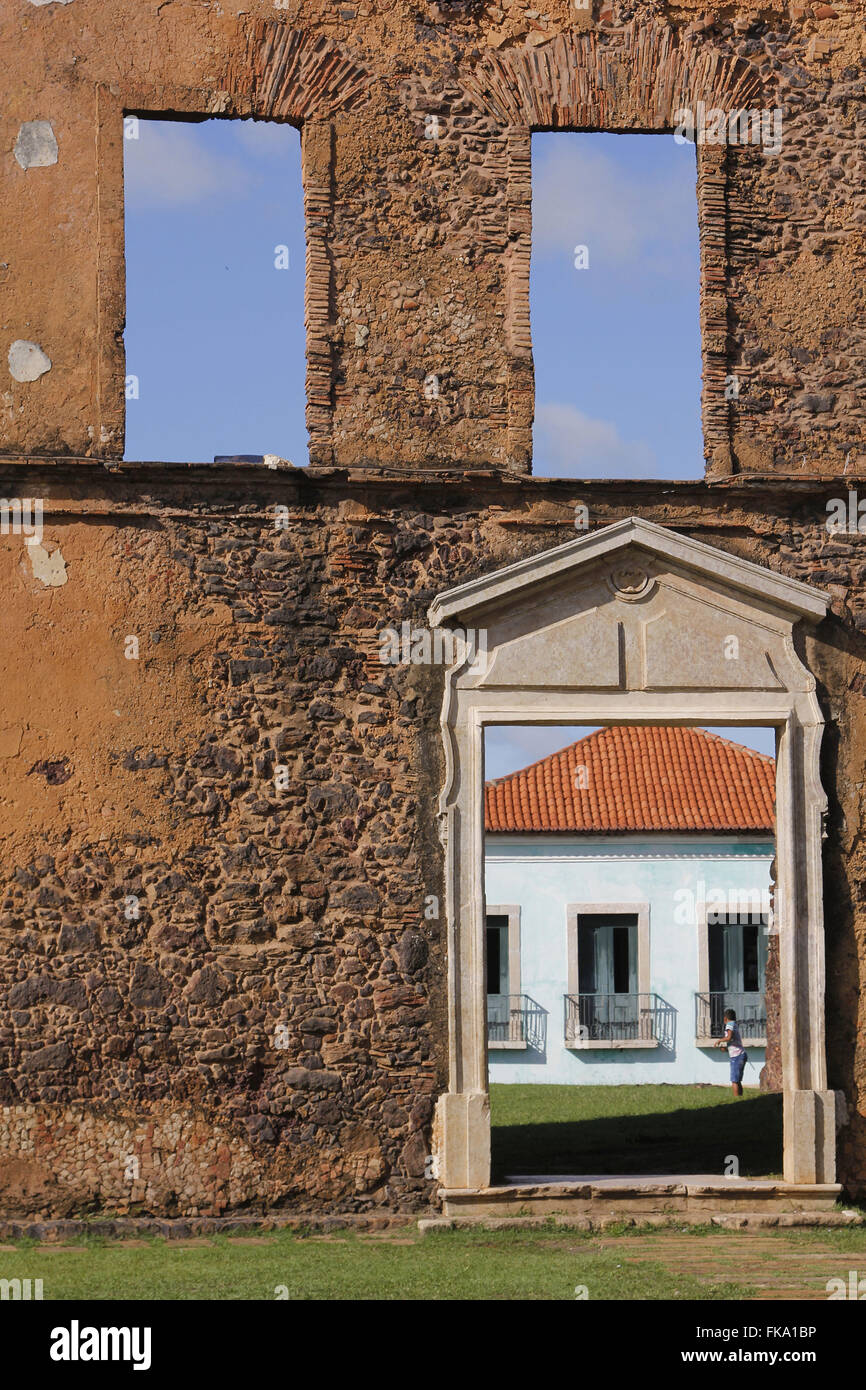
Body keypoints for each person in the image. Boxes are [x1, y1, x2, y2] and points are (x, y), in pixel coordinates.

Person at [715, 1007, 747, 1096]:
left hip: (737, 1056)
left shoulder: (729, 1024)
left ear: (725, 1018)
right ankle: (740, 1098)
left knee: (734, 1080)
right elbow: (733, 1042)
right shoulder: (734, 1024)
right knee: (737, 1080)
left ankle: (736, 1100)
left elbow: (729, 1037)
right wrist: (725, 1049)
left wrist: (719, 1040)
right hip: (740, 1054)